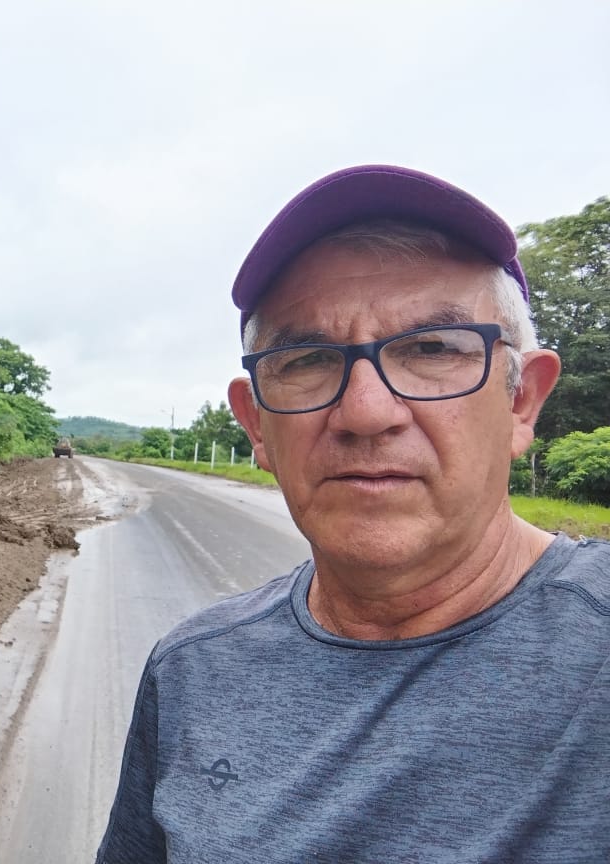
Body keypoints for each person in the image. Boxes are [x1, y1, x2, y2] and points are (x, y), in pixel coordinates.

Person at [95, 165, 610, 863]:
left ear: (522, 401)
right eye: (307, 359)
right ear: (256, 425)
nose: (366, 412)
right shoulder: (191, 670)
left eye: (432, 349)